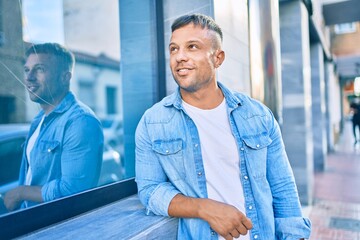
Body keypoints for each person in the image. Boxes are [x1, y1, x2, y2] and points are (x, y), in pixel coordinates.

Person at [135, 14, 311, 240]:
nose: (180, 57)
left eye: (192, 47)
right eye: (174, 49)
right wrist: (204, 208)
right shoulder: (153, 122)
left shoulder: (258, 115)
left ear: (218, 58)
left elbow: (282, 188)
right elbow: (150, 190)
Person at [4, 43, 104, 211]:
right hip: (31, 223)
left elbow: (75, 190)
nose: (29, 77)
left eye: (40, 69)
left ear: (65, 77)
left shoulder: (81, 122)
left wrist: (21, 193)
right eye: (27, 70)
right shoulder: (39, 120)